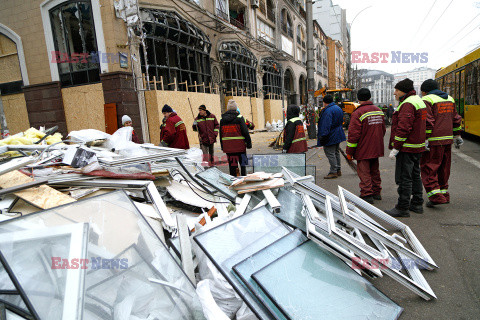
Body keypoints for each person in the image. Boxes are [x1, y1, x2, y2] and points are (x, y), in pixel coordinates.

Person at [385, 78, 427, 217]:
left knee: (404, 177)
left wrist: (396, 148)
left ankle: (402, 207)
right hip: (417, 146)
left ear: (404, 91)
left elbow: (403, 128)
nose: (394, 93)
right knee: (415, 175)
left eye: (397, 90)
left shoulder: (407, 104)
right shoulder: (418, 101)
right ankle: (417, 203)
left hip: (407, 148)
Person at [420, 79, 463, 207]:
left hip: (434, 140)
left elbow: (428, 121)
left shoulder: (427, 100)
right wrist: (457, 135)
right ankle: (444, 194)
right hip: (447, 139)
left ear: (424, 91)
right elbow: (456, 119)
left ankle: (436, 197)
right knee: (444, 168)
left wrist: (426, 138)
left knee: (429, 168)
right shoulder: (450, 99)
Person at [345, 88, 386, 204]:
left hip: (363, 148)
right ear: (369, 97)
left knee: (364, 172)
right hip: (376, 147)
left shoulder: (358, 113)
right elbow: (383, 130)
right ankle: (376, 192)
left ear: (358, 98)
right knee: (375, 170)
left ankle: (367, 194)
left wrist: (350, 152)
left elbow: (353, 135)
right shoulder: (378, 110)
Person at [317, 94, 346, 179]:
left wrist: (323, 136)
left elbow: (326, 125)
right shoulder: (338, 108)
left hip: (331, 135)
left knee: (330, 153)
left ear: (324, 102)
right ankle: (338, 170)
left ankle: (333, 171)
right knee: (336, 152)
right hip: (338, 133)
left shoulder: (328, 111)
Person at [220, 100, 252, 176]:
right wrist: (249, 143)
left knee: (232, 166)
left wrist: (222, 146)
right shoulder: (239, 118)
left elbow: (221, 134)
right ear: (236, 108)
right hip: (240, 147)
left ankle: (234, 181)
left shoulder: (222, 120)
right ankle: (244, 179)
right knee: (243, 164)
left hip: (229, 148)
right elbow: (245, 132)